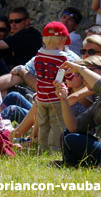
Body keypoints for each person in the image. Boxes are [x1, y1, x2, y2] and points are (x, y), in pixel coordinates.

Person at [33, 22, 71, 151]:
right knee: (57, 124)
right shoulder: (62, 58)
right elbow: (68, 76)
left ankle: (42, 148)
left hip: (41, 96)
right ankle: (55, 149)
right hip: (55, 97)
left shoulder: (38, 55)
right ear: (61, 40)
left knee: (43, 124)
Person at [0, 7, 42, 71]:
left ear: (27, 21)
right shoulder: (24, 34)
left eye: (17, 21)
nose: (13, 24)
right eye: (11, 21)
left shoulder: (28, 34)